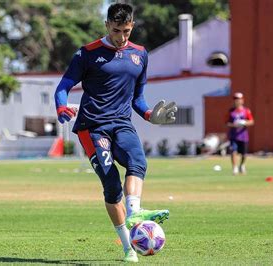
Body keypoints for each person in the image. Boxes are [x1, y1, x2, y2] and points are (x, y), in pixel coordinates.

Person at [54, 3, 177, 263]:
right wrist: (61, 106)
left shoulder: (140, 55)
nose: (122, 37)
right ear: (107, 25)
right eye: (117, 30)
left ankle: (134, 212)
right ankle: (127, 246)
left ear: (132, 26)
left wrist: (149, 115)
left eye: (127, 31)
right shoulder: (86, 53)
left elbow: (138, 98)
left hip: (122, 123)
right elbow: (63, 86)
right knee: (111, 186)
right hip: (92, 127)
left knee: (138, 162)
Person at [226, 92, 255, 175]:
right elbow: (226, 122)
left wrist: (244, 123)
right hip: (233, 135)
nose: (237, 101)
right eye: (235, 99)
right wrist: (234, 124)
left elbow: (252, 121)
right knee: (233, 151)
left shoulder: (246, 111)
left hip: (243, 136)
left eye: (239, 99)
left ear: (242, 100)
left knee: (244, 153)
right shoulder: (231, 111)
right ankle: (234, 167)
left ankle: (242, 165)